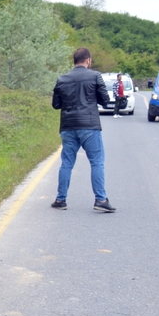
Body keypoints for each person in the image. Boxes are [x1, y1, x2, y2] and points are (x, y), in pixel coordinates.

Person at [50, 47, 116, 212]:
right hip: (89, 126)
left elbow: (56, 105)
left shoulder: (62, 79)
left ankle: (60, 200)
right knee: (96, 162)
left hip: (68, 126)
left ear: (74, 61)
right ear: (88, 60)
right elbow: (105, 101)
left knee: (66, 163)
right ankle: (100, 200)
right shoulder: (95, 76)